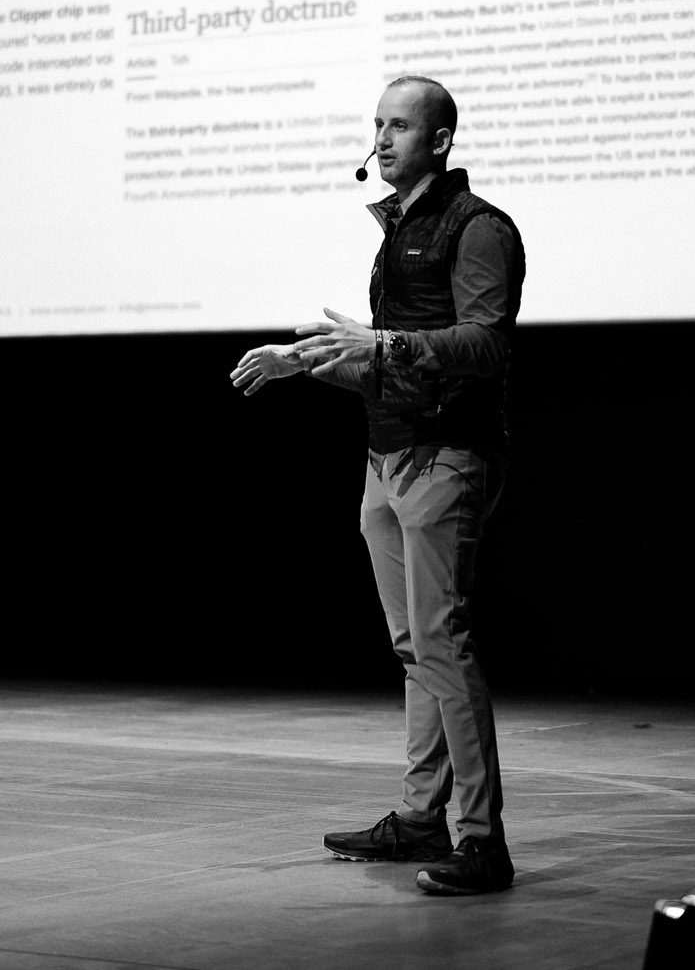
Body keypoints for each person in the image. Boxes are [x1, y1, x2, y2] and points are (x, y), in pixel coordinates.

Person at [229, 75, 526, 896]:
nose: (383, 139)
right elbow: (382, 354)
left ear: (439, 141)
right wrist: (304, 361)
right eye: (378, 124)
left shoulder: (478, 228)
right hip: (385, 458)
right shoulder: (393, 235)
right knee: (413, 649)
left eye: (400, 126)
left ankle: (481, 840)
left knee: (443, 642)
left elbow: (486, 345)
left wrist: (385, 343)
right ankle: (423, 815)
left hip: (446, 456)